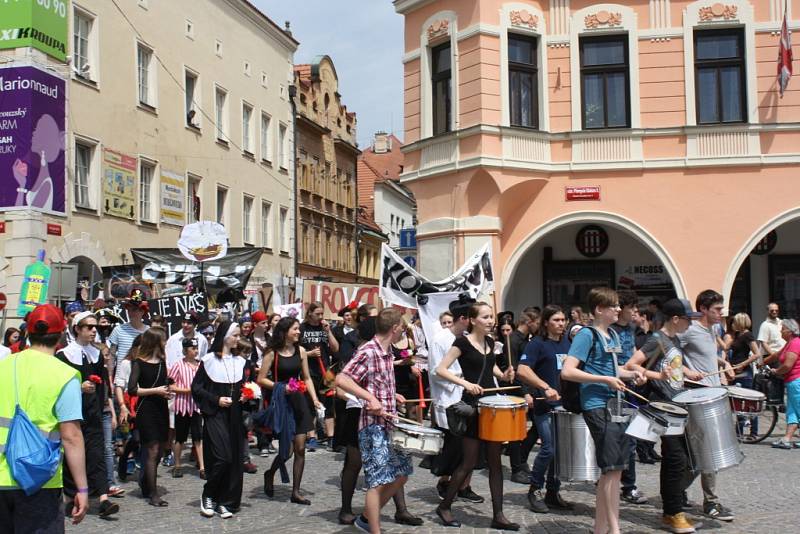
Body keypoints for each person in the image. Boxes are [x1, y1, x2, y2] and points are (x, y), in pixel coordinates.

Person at [561, 287, 644, 534]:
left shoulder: (613, 336)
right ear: (599, 309)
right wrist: (604, 381)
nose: (619, 309)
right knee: (611, 470)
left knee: (615, 470)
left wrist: (632, 375)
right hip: (597, 406)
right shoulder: (586, 335)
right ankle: (615, 530)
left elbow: (614, 370)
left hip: (616, 406)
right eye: (614, 305)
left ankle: (601, 529)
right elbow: (568, 371)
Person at [0, 304, 89, 531]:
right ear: (61, 335)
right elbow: (71, 437)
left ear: (28, 332)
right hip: (39, 480)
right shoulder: (65, 375)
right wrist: (82, 489)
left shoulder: (3, 366)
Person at [435, 302, 519, 531]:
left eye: (491, 316)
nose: (491, 320)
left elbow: (491, 369)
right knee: (469, 462)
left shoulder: (491, 342)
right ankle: (445, 506)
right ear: (472, 320)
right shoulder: (462, 342)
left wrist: (504, 375)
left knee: (495, 463)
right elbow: (440, 369)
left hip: (490, 405)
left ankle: (498, 515)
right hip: (472, 405)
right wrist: (465, 383)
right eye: (485, 317)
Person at [336, 313, 422, 527]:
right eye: (402, 327)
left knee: (401, 474)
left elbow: (376, 381)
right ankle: (373, 529)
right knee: (377, 482)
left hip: (390, 424)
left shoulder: (387, 352)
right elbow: (341, 379)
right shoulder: (368, 351)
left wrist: (392, 395)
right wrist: (370, 398)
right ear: (394, 328)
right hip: (372, 426)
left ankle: (366, 518)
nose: (404, 331)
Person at [626, 298, 705, 533]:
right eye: (688, 319)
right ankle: (672, 513)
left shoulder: (673, 339)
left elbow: (672, 366)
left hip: (677, 405)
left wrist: (689, 371)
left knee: (678, 460)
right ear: (675, 319)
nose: (690, 323)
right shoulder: (656, 340)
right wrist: (657, 377)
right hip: (663, 407)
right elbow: (631, 365)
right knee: (676, 460)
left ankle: (672, 510)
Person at [677, 290, 735, 522]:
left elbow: (708, 354)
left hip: (713, 395)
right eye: (717, 310)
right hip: (696, 396)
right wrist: (688, 371)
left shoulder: (713, 329)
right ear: (703, 309)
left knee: (700, 455)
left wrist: (724, 363)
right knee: (708, 453)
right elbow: (667, 353)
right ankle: (710, 502)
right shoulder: (689, 331)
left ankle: (674, 491)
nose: (722, 313)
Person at [55, 311, 120, 519]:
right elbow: (57, 386)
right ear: (77, 329)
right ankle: (71, 496)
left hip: (94, 413)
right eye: (89, 327)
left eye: (96, 328)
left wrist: (108, 407)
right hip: (72, 414)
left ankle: (102, 498)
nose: (94, 331)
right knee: (72, 456)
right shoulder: (64, 355)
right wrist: (78, 387)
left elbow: (104, 385)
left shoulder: (97, 354)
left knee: (97, 453)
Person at [517, 305, 573, 513]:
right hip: (544, 406)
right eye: (557, 320)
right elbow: (522, 370)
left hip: (566, 405)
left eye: (563, 320)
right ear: (546, 322)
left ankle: (552, 492)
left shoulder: (569, 343)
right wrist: (545, 387)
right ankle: (535, 489)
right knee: (549, 448)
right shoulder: (537, 344)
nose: (561, 323)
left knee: (560, 451)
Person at [258, 317, 320, 505]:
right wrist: (280, 387)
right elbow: (261, 379)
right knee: (288, 451)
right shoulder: (272, 353)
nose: (298, 332)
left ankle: (296, 491)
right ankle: (270, 473)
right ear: (285, 332)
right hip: (282, 403)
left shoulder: (301, 351)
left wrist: (315, 399)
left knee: (301, 448)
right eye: (295, 329)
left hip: (299, 401)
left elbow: (306, 378)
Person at [427, 297, 483, 503]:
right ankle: (445, 482)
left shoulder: (468, 337)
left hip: (469, 398)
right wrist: (461, 381)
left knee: (470, 447)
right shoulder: (440, 339)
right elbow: (435, 372)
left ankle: (465, 486)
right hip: (449, 399)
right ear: (464, 318)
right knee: (453, 446)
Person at [192, 321, 246, 518]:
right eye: (235, 336)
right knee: (223, 457)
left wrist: (246, 395)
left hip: (234, 415)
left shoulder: (240, 361)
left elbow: (243, 386)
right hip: (215, 414)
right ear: (225, 337)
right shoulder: (208, 361)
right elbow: (196, 388)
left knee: (233, 460)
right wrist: (216, 399)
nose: (238, 339)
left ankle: (225, 500)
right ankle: (208, 493)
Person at [609, 290, 648, 505]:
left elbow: (633, 354)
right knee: (618, 437)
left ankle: (627, 483)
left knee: (630, 437)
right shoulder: (611, 330)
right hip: (615, 389)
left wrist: (638, 372)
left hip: (629, 387)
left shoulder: (631, 328)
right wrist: (625, 371)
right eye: (632, 307)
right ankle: (623, 483)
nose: (635, 311)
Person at [128, 328, 171, 506]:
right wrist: (156, 391)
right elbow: (132, 389)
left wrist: (167, 391)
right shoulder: (139, 362)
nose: (165, 342)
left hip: (161, 408)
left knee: (161, 449)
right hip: (146, 409)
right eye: (163, 339)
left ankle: (145, 480)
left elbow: (164, 383)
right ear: (155, 341)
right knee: (152, 450)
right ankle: (153, 494)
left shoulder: (162, 362)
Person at [299, 302, 339, 449]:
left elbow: (335, 349)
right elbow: (295, 349)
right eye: (317, 314)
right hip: (308, 371)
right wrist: (308, 354)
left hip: (326, 372)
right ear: (309, 313)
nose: (320, 317)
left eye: (322, 314)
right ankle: (312, 436)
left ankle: (330, 437)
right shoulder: (302, 329)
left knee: (329, 404)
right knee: (310, 404)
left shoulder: (325, 328)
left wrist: (328, 332)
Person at [168, 337, 204, 478]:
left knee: (198, 437)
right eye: (192, 349)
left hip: (196, 406)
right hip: (182, 405)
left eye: (196, 348)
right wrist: (186, 390)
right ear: (185, 350)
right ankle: (177, 464)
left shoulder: (201, 365)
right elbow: (170, 384)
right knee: (180, 437)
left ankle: (202, 466)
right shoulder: (178, 365)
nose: (195, 351)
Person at [770, 319, 800, 449]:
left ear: (789, 330)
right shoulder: (789, 343)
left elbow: (788, 365)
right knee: (792, 412)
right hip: (791, 381)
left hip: (796, 381)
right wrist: (760, 360)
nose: (781, 331)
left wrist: (777, 371)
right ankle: (786, 439)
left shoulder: (795, 343)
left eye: (782, 329)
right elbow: (777, 355)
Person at [109, 289, 149, 372]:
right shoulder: (118, 330)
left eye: (134, 310)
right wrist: (110, 377)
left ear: (142, 311)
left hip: (142, 378)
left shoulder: (149, 332)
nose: (130, 313)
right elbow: (112, 355)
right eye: (129, 309)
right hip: (121, 379)